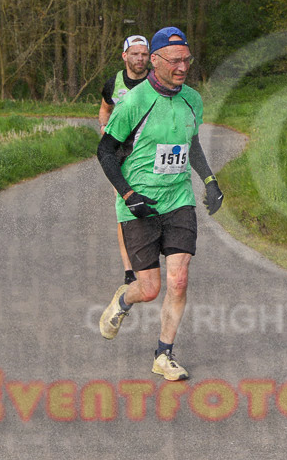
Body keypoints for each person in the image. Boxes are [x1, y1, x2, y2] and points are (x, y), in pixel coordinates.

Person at [96, 26, 224, 381]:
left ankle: (164, 355)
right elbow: (105, 152)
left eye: (187, 59)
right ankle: (124, 300)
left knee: (179, 279)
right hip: (139, 201)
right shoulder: (134, 102)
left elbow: (190, 143)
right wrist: (128, 194)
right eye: (175, 61)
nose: (183, 67)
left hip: (179, 198)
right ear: (154, 61)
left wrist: (210, 180)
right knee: (149, 289)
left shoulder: (193, 100)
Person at [99, 35, 151, 287]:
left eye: (144, 54)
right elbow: (105, 109)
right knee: (126, 207)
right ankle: (129, 268)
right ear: (124, 56)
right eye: (135, 53)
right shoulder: (113, 84)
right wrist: (103, 127)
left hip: (150, 157)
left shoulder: (156, 82)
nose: (140, 58)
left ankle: (151, 257)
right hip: (121, 156)